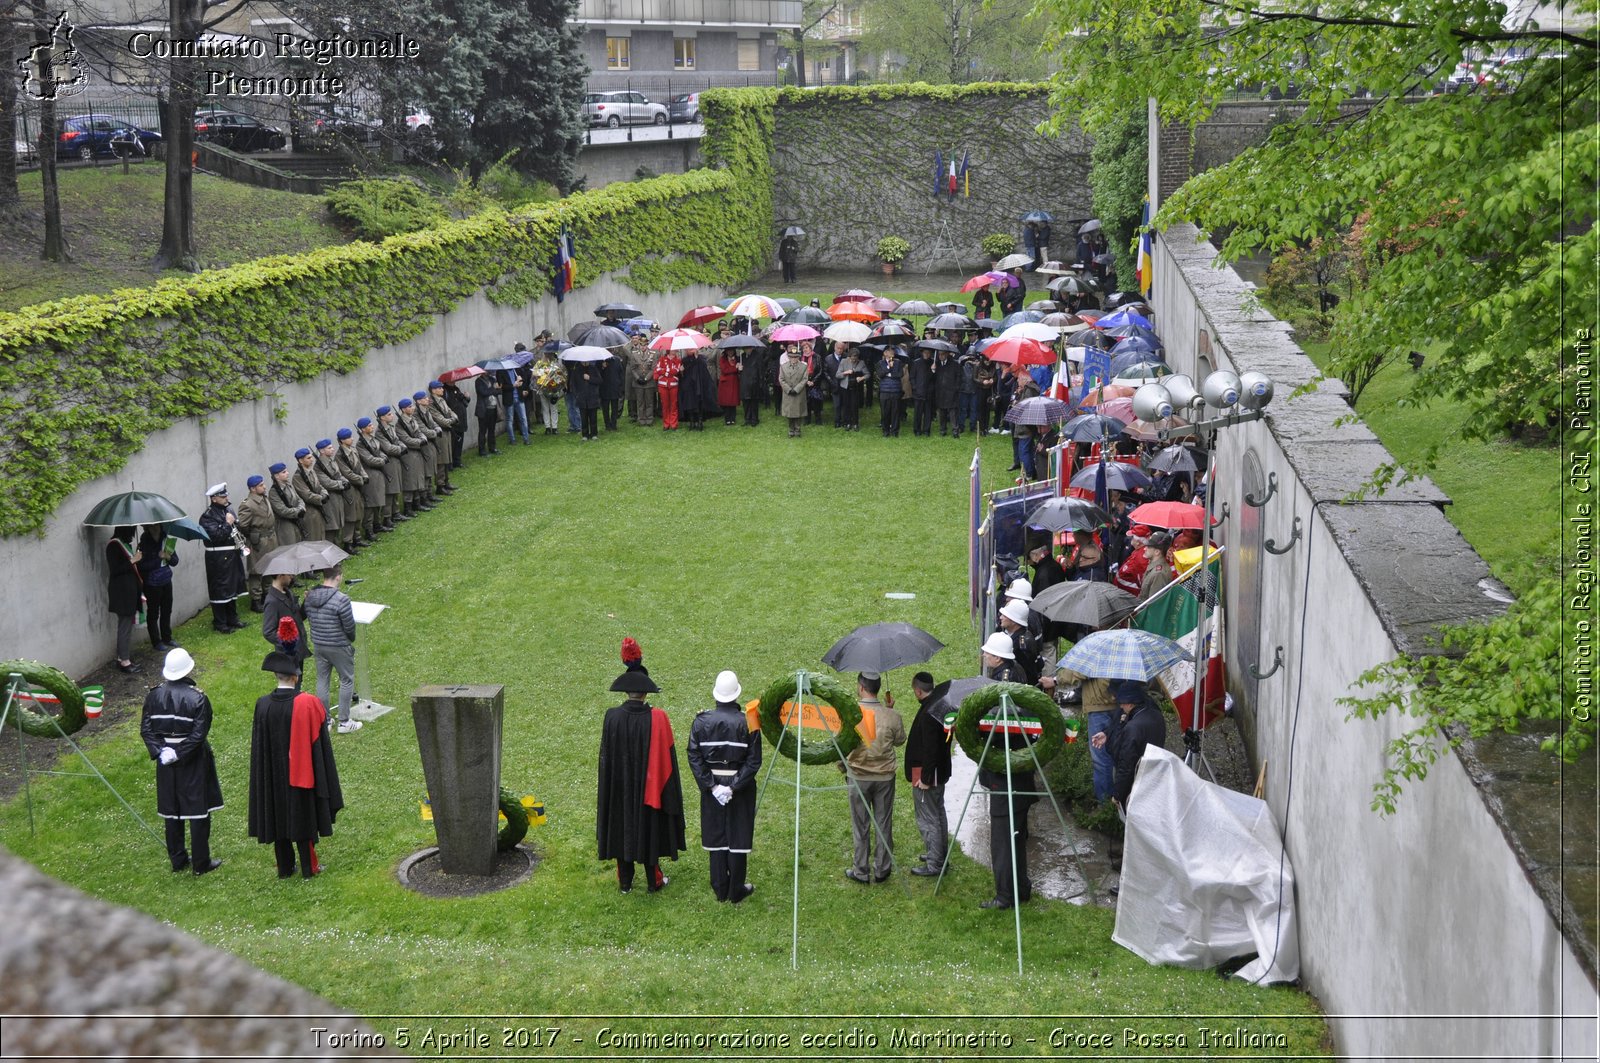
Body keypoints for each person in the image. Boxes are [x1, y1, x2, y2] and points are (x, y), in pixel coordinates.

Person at [248, 650, 344, 879]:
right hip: (301, 773)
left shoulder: (263, 705)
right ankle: (309, 867)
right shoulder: (308, 704)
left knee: (277, 813)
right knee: (302, 816)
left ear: (277, 677)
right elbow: (320, 744)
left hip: (272, 775)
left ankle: (284, 867)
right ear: (295, 677)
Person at [597, 666, 686, 893]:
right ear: (646, 694)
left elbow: (606, 758)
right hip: (650, 788)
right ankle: (653, 880)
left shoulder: (612, 717)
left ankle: (625, 882)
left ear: (627, 692)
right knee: (650, 828)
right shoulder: (658, 718)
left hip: (620, 788)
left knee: (622, 827)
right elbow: (668, 761)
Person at [141, 648, 224, 874]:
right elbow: (199, 734)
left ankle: (178, 860)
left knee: (172, 810)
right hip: (193, 759)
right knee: (198, 810)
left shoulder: (153, 695)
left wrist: (161, 751)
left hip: (166, 761)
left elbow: (146, 730)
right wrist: (178, 752)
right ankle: (201, 862)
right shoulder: (198, 698)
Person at [686, 670, 762, 902]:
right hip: (740, 786)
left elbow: (694, 755)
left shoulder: (701, 722)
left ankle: (720, 887)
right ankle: (736, 889)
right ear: (736, 694)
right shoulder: (748, 723)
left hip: (713, 786)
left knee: (716, 835)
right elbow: (754, 760)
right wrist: (734, 786)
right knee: (738, 836)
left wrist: (713, 786)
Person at [976, 631, 1036, 909]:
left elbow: (1000, 731)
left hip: (1006, 773)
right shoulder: (1018, 671)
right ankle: (1021, 887)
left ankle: (1005, 895)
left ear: (998, 657)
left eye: (987, 653)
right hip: (1020, 769)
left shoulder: (1004, 683)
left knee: (1002, 839)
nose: (984, 656)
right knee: (1017, 835)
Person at [842, 671, 906, 884]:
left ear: (861, 687)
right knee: (883, 823)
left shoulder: (851, 715)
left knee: (860, 825)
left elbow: (840, 746)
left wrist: (844, 769)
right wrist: (889, 712)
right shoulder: (892, 716)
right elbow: (900, 741)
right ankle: (882, 869)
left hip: (858, 776)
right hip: (884, 777)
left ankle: (861, 870)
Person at [904, 672, 952, 877]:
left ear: (917, 690)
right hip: (939, 772)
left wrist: (924, 779)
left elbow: (931, 749)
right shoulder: (939, 706)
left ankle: (934, 864)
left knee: (929, 819)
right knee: (938, 813)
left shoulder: (928, 714)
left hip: (927, 775)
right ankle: (939, 855)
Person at [1095, 679, 1167, 812]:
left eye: (1121, 703)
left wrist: (1117, 795)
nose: (1120, 706)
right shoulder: (1155, 714)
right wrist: (1108, 734)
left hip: (1134, 782)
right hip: (1152, 776)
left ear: (1129, 702)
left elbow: (1126, 765)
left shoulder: (1133, 728)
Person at [304, 565, 360, 734]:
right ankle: (344, 722)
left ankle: (325, 721)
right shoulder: (342, 599)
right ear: (338, 577)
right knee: (346, 680)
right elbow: (349, 627)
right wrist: (350, 639)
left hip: (319, 645)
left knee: (322, 680)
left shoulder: (310, 596)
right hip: (339, 645)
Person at [198, 483, 247, 633]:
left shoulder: (228, 510)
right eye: (222, 496)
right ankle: (220, 623)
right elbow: (216, 536)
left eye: (226, 495)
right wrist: (228, 523)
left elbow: (235, 529)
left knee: (232, 587)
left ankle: (232, 618)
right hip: (217, 558)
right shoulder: (207, 516)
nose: (226, 497)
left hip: (231, 555)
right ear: (214, 499)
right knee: (220, 589)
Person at [236, 475, 277, 612]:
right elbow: (243, 525)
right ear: (253, 488)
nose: (264, 487)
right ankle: (256, 600)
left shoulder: (264, 498)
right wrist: (253, 535)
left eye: (263, 484)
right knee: (257, 570)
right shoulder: (247, 504)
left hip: (270, 538)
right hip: (258, 541)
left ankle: (268, 594)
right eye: (260, 485)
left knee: (269, 567)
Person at [105, 525, 143, 674]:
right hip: (121, 594)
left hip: (128, 592)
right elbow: (115, 570)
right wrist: (133, 560)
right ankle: (125, 662)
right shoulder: (114, 545)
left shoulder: (124, 544)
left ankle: (122, 658)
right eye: (131, 530)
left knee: (126, 625)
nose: (132, 534)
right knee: (124, 626)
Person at [136, 524, 179, 652]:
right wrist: (157, 559)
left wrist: (167, 556)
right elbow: (140, 566)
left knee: (167, 610)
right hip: (152, 584)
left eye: (157, 526)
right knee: (153, 613)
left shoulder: (166, 541)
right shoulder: (143, 544)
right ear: (147, 528)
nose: (155, 529)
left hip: (166, 580)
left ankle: (167, 637)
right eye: (152, 527)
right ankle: (156, 642)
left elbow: (175, 561)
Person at [352, 418, 393, 531]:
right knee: (370, 504)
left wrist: (383, 458)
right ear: (363, 429)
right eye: (369, 426)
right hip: (370, 474)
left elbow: (381, 453)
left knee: (378, 501)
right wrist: (382, 461)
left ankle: (377, 524)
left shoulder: (373, 439)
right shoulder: (361, 444)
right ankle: (368, 529)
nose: (372, 427)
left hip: (378, 473)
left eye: (371, 425)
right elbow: (369, 460)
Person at [262, 570, 309, 667]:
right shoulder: (272, 601)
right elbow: (268, 632)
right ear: (280, 575)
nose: (292, 577)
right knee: (291, 682)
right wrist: (288, 642)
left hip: (298, 650)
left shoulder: (287, 592)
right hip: (287, 655)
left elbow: (299, 618)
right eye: (289, 574)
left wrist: (306, 602)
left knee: (298, 680)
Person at [289, 448, 329, 544]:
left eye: (311, 457)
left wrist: (325, 493)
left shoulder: (311, 471)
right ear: (300, 461)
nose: (312, 460)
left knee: (321, 534)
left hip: (318, 508)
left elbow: (319, 486)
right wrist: (320, 498)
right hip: (310, 511)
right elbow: (306, 494)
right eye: (308, 458)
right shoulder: (298, 476)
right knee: (313, 538)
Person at [267, 461, 307, 546]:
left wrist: (301, 508)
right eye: (284, 472)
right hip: (286, 526)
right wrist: (298, 511)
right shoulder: (274, 492)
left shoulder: (289, 485)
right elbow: (282, 510)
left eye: (286, 471)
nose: (287, 473)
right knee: (290, 549)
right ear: (276, 476)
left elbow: (299, 499)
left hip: (297, 522)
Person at [625, 338, 657, 427]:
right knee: (640, 402)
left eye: (645, 345)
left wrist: (646, 378)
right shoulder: (634, 354)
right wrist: (638, 378)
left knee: (649, 401)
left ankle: (649, 419)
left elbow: (653, 368)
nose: (643, 347)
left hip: (649, 382)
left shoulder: (652, 354)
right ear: (639, 345)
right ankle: (641, 419)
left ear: (647, 345)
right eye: (641, 345)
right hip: (638, 382)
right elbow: (632, 368)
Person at [535, 348, 568, 435]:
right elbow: (534, 373)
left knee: (553, 408)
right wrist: (542, 373)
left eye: (550, 354)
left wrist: (559, 378)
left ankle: (554, 427)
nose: (548, 356)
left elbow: (562, 375)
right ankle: (547, 427)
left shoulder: (556, 365)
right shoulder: (539, 363)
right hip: (543, 389)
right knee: (545, 408)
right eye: (546, 354)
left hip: (553, 389)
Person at [876, 347, 907, 437]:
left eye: (893, 351)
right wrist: (889, 367)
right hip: (884, 391)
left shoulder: (898, 362)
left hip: (896, 390)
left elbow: (900, 374)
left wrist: (890, 374)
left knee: (895, 412)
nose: (892, 352)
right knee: (885, 412)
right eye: (890, 351)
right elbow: (880, 374)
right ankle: (885, 431)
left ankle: (895, 431)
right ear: (885, 353)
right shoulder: (880, 363)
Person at [571, 355, 603, 441]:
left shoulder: (593, 368)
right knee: (583, 417)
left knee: (593, 417)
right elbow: (573, 384)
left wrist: (590, 378)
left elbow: (599, 380)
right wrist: (576, 394)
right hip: (581, 397)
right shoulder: (577, 370)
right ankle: (585, 434)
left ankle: (594, 434)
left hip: (592, 396)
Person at [1138, 531, 1177, 603]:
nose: (1145, 549)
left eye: (1148, 547)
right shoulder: (1153, 566)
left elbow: (1154, 605)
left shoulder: (1159, 574)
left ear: (1157, 552)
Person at [836, 348, 867, 431]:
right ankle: (847, 422)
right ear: (849, 357)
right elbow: (837, 375)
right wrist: (846, 372)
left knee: (854, 405)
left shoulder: (861, 363)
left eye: (855, 358)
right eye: (852, 358)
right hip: (845, 387)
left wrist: (861, 378)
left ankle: (855, 423)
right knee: (846, 405)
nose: (854, 360)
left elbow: (868, 374)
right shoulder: (843, 362)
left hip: (855, 388)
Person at [779, 349, 808, 437]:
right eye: (791, 357)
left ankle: (798, 429)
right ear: (789, 357)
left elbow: (805, 379)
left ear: (798, 357)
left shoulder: (803, 366)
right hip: (788, 393)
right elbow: (781, 379)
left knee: (798, 412)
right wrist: (788, 389)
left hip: (798, 393)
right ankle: (791, 429)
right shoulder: (783, 367)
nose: (794, 359)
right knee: (790, 412)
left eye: (795, 357)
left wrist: (796, 389)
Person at [653, 350, 682, 430]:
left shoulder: (678, 360)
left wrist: (665, 372)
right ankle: (666, 424)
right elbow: (658, 369)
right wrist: (667, 372)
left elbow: (676, 370)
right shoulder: (662, 359)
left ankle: (673, 424)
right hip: (663, 385)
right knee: (665, 405)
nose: (674, 351)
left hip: (673, 385)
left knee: (673, 404)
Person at [474, 371, 501, 456]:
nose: (488, 371)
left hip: (493, 408)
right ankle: (482, 451)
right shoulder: (478, 381)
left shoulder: (492, 379)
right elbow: (483, 392)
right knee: (482, 431)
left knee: (492, 430)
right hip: (483, 410)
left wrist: (495, 389)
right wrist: (493, 389)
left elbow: (499, 391)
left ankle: (492, 448)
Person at [718, 350, 742, 425]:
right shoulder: (722, 359)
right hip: (726, 383)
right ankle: (727, 419)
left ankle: (733, 418)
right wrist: (735, 368)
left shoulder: (737, 359)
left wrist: (739, 368)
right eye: (729, 351)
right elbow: (724, 370)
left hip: (734, 382)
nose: (730, 352)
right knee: (727, 402)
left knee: (733, 401)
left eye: (731, 351)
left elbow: (739, 370)